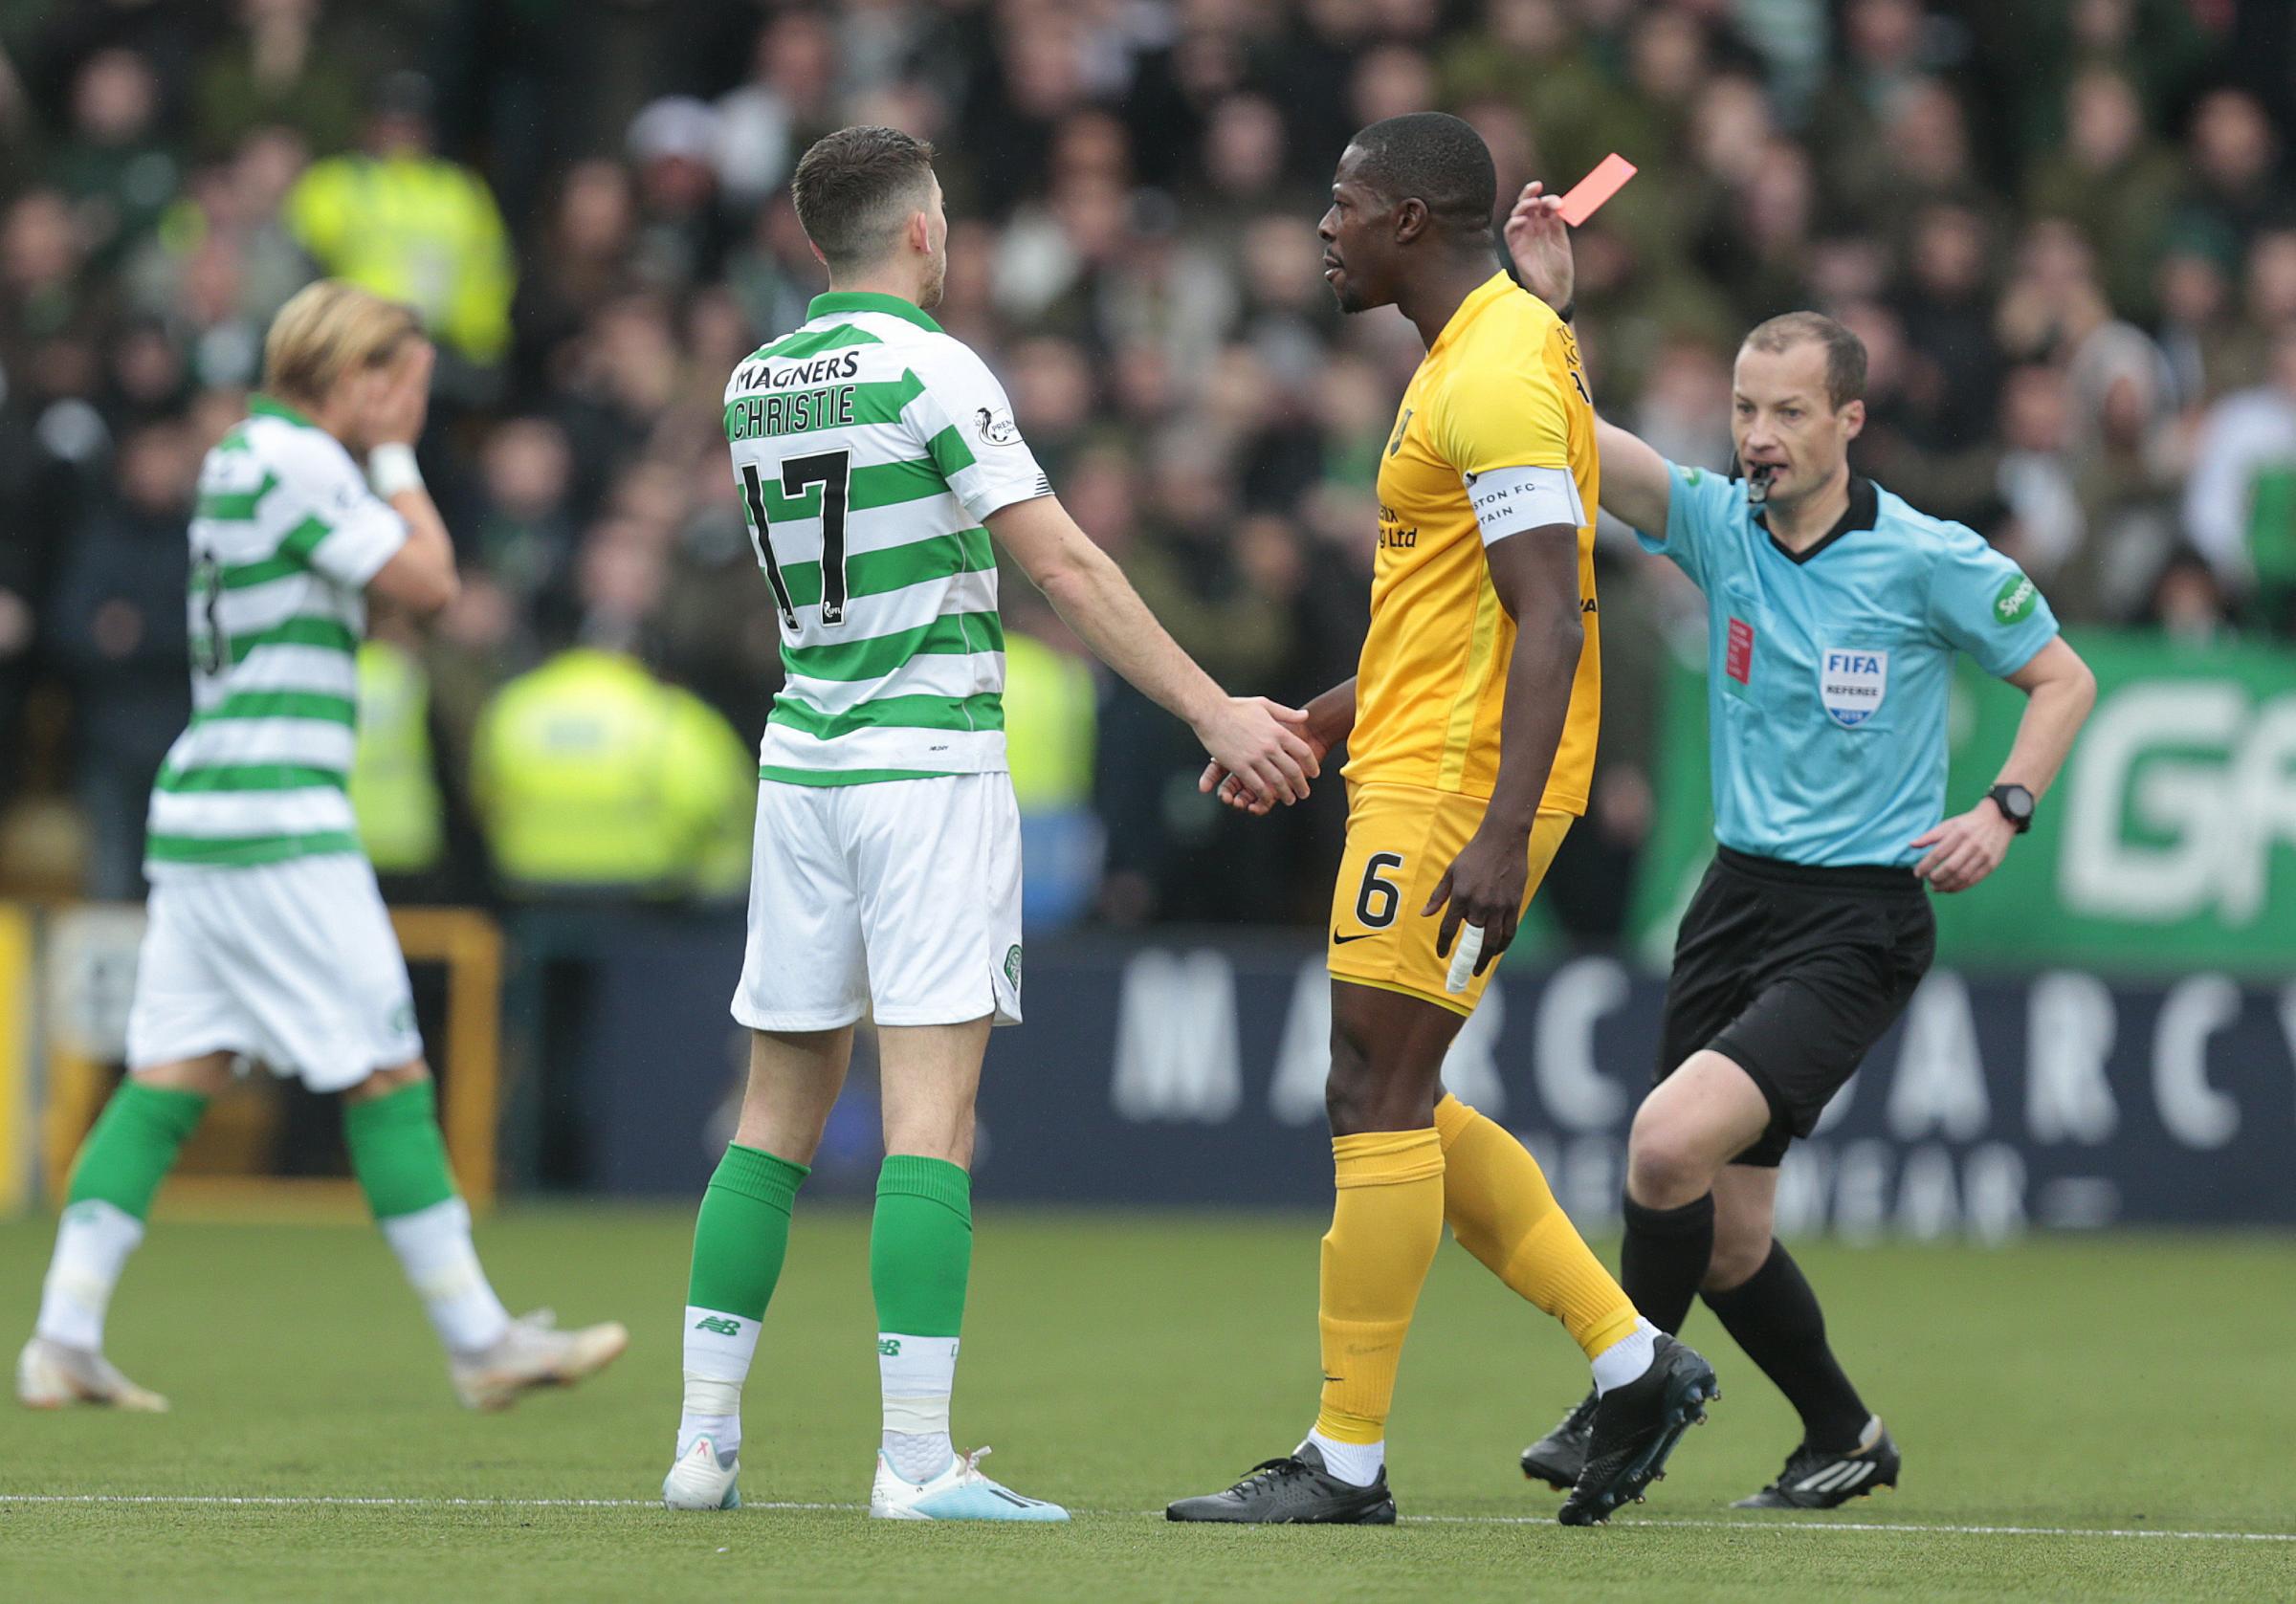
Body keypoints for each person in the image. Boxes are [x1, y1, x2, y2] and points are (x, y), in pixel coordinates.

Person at [658, 125, 1318, 1522]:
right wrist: (1218, 711)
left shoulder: (755, 381)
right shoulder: (934, 366)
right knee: (930, 1126)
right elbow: (1064, 563)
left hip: (804, 765)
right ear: (915, 231)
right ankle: (913, 1461)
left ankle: (701, 1445)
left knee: (772, 1114)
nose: (951, 239)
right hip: (924, 770)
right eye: (945, 217)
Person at [1503, 183, 2097, 1508]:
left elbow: (2063, 681)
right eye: (1743, 410)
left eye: (1786, 413)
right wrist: (1547, 307)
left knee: (1662, 1146)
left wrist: (2004, 806)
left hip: (1859, 919)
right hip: (1736, 902)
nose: (1758, 437)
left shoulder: (1931, 560)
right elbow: (1568, 437)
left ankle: (1625, 1398)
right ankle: (1843, 1433)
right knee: (1727, 1232)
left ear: (1849, 422)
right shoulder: (1717, 529)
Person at [1166, 114, 1715, 1530]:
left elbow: (1552, 615)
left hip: (1465, 785)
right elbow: (1450, 611)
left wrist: (1501, 825)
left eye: (1343, 206)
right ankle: (1631, 1357)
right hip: (1414, 757)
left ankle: (1345, 1461)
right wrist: (1318, 718)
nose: (1323, 230)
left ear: (1411, 219)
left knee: (1374, 1093)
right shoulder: (1479, 354)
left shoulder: (1499, 373)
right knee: (1386, 1088)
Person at [17, 281, 628, 1415]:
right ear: (356, 379)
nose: (413, 410)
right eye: (405, 390)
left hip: (208, 812)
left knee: (171, 1075)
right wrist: (396, 465)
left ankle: (61, 1335)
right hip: (274, 819)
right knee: (386, 1069)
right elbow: (433, 585)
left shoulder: (248, 458)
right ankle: (479, 1340)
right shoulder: (298, 460)